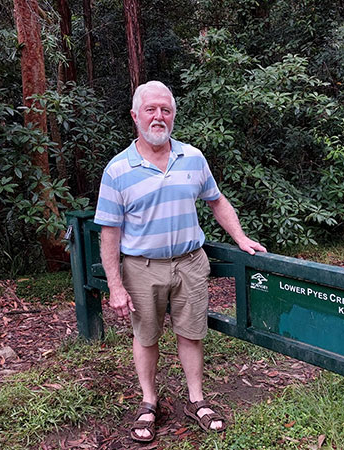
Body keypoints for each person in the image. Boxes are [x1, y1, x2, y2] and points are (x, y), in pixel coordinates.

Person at [94, 80, 266, 443]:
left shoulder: (193, 158)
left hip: (190, 262)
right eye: (152, 110)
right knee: (146, 335)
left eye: (166, 110)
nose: (159, 117)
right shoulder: (117, 170)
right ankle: (148, 402)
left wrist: (241, 238)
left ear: (173, 115)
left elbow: (216, 201)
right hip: (141, 267)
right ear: (135, 116)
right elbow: (109, 232)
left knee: (191, 332)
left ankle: (196, 399)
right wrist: (115, 285)